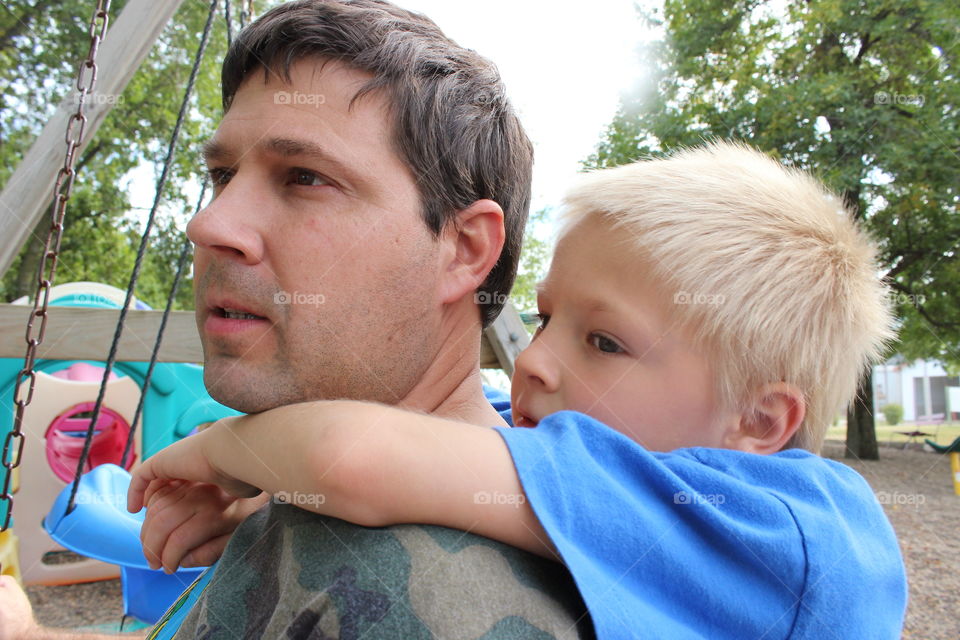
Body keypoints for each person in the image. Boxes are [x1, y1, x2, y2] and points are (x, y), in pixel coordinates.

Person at [129, 142, 909, 639]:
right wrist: (267, 504)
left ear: (759, 419)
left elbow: (348, 456)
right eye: (545, 320)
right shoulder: (624, 468)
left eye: (605, 342)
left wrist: (222, 455)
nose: (532, 362)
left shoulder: (782, 532)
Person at [0, 1, 595, 639]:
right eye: (223, 175)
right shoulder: (315, 510)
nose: (207, 224)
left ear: (465, 250)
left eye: (305, 177)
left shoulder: (425, 602)